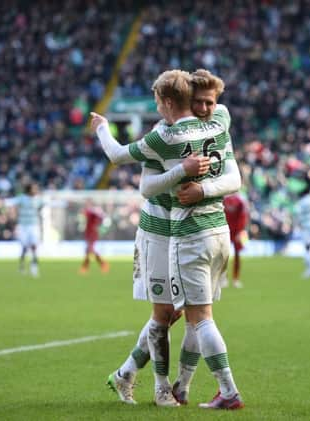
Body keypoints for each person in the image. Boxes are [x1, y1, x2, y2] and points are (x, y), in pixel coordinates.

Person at [92, 69, 244, 410]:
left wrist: (101, 127)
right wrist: (182, 171)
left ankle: (158, 380)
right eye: (200, 102)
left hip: (186, 231)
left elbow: (235, 175)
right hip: (157, 229)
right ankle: (159, 387)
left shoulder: (210, 121)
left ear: (167, 101)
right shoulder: (163, 133)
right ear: (188, 99)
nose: (206, 108)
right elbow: (147, 188)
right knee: (166, 313)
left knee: (187, 314)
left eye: (210, 102)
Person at [5, 183, 44, 277]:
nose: (35, 190)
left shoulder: (38, 199)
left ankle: (34, 266)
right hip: (23, 226)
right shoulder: (22, 198)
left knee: (34, 246)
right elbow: (10, 202)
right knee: (25, 247)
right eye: (34, 189)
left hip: (34, 225)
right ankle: (22, 265)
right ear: (29, 190)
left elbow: (46, 204)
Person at [222, 193, 249, 288]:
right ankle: (223, 278)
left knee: (237, 255)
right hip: (225, 230)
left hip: (237, 231)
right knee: (223, 255)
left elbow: (243, 216)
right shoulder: (223, 198)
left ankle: (235, 279)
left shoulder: (241, 199)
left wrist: (241, 231)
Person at [80, 200, 109, 274]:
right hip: (88, 233)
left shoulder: (92, 212)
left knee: (90, 249)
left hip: (92, 233)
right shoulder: (89, 212)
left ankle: (101, 264)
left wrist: (99, 223)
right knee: (88, 250)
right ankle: (88, 266)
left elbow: (102, 217)